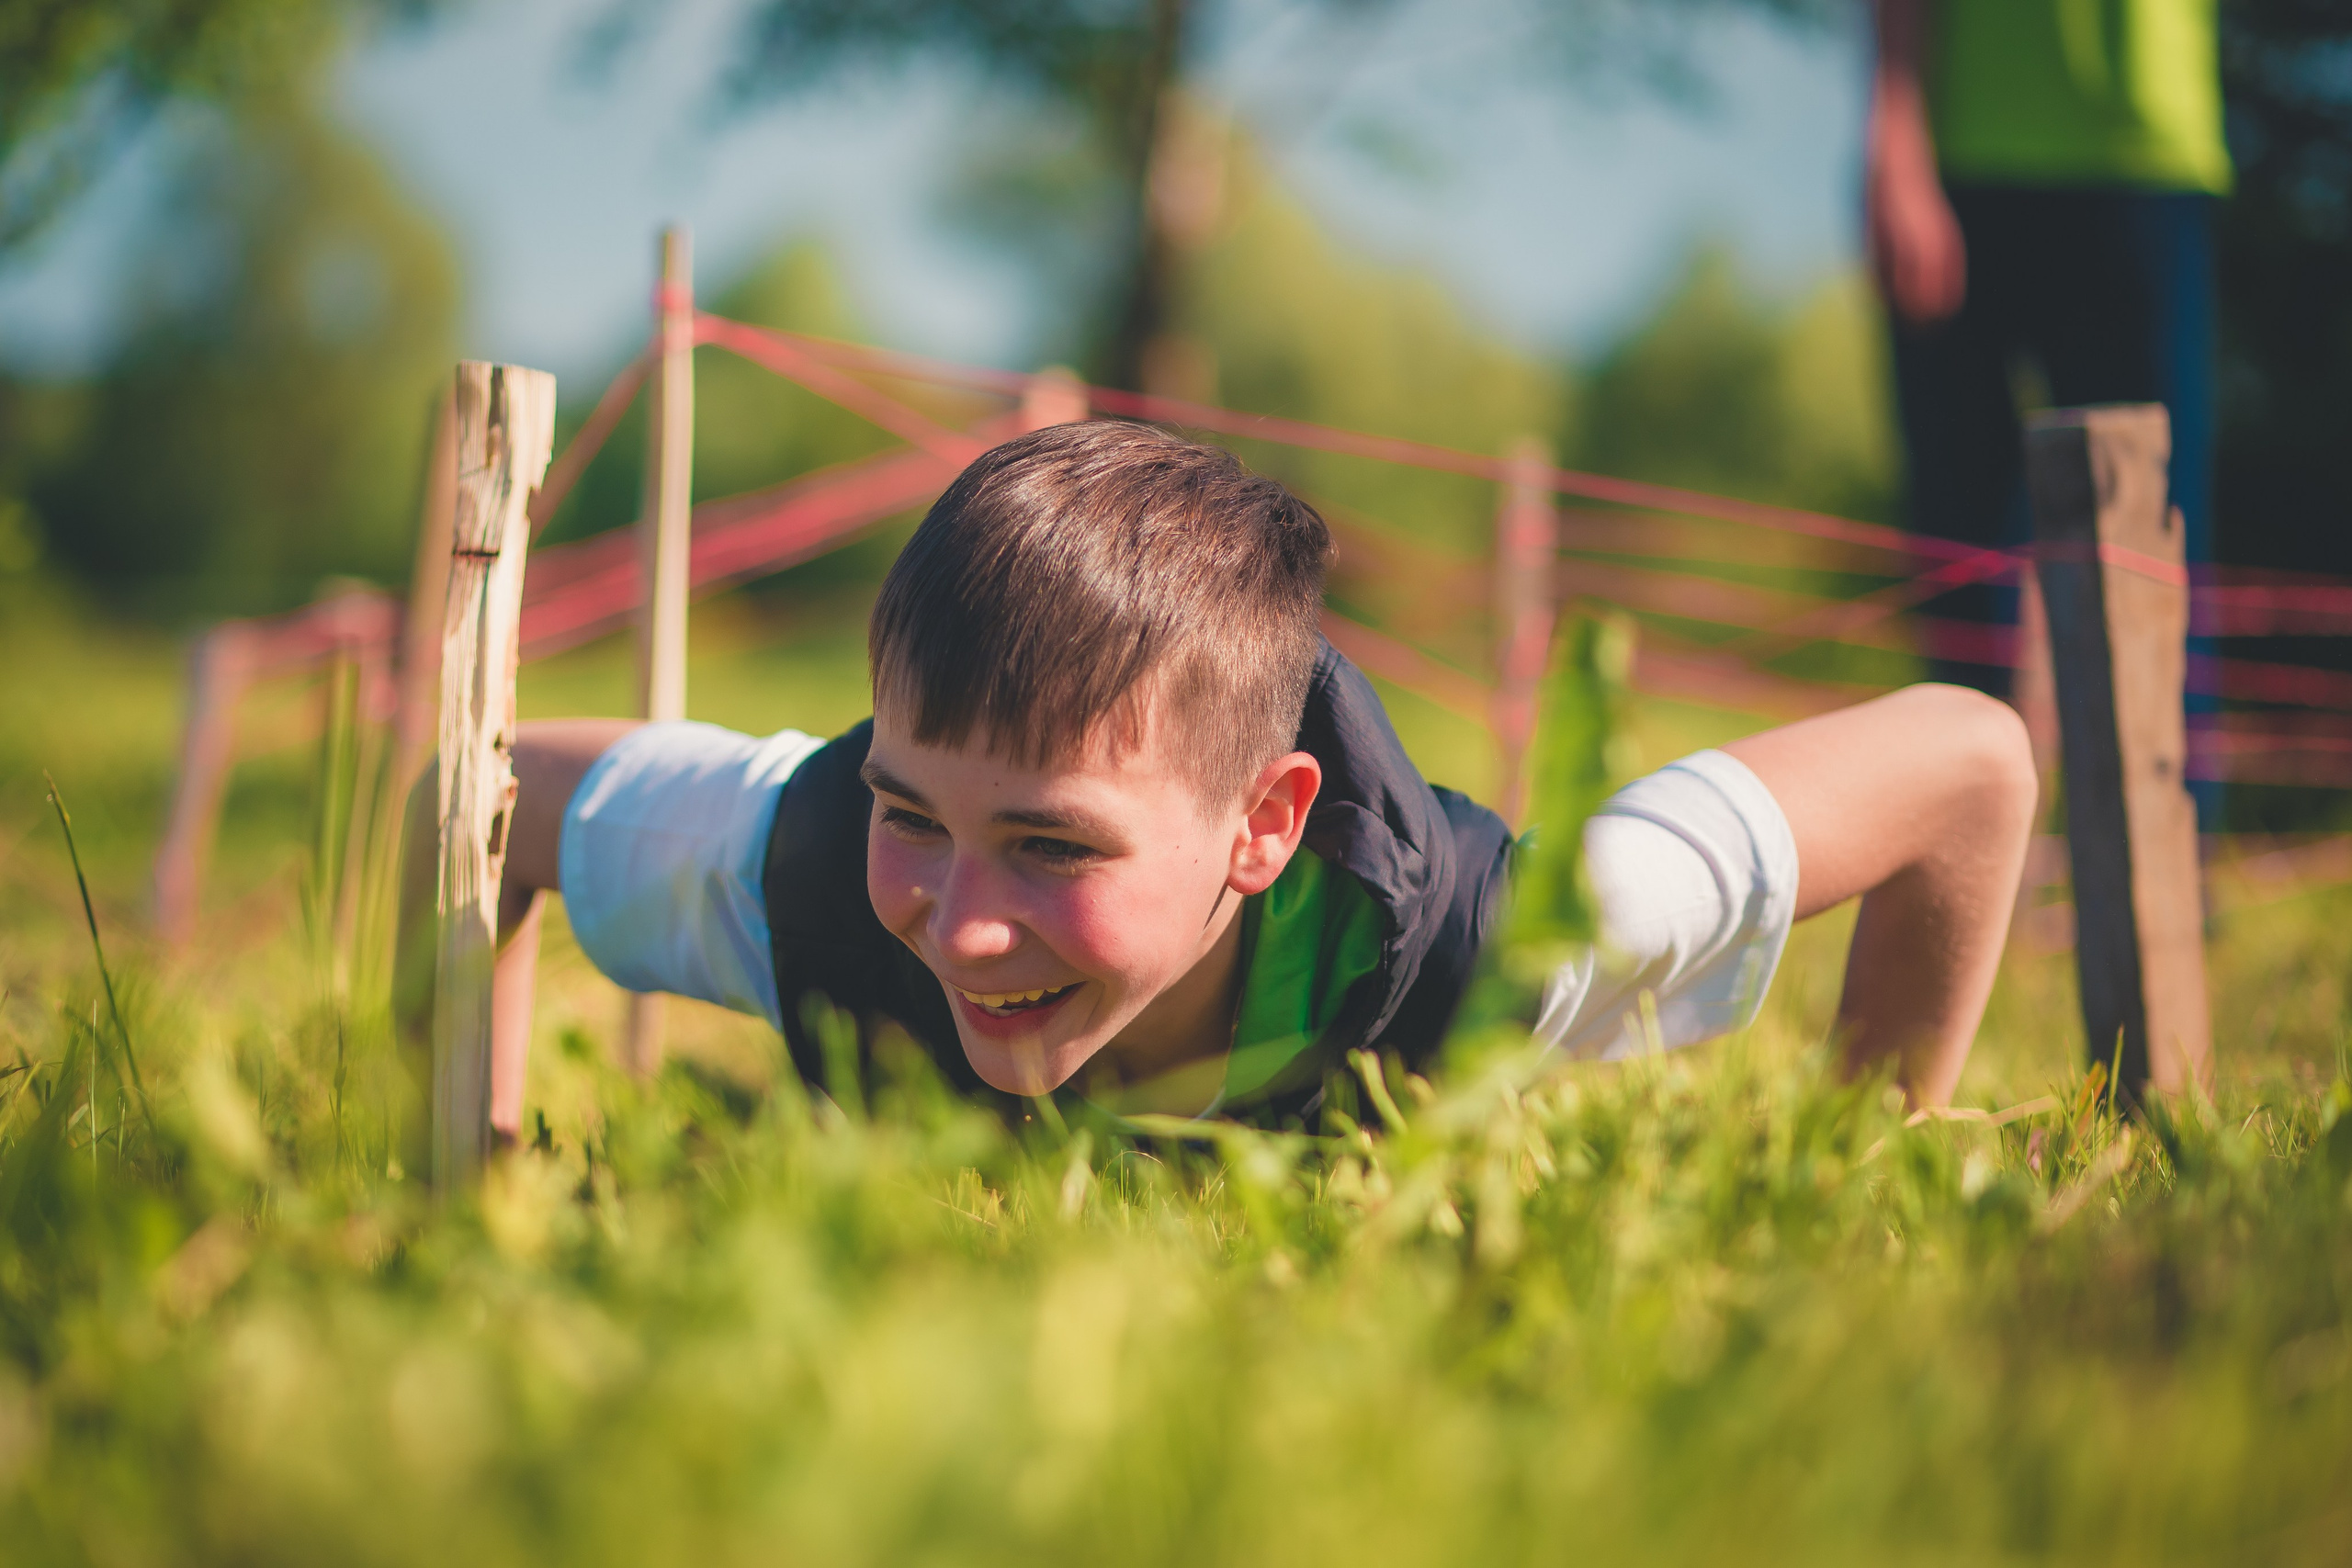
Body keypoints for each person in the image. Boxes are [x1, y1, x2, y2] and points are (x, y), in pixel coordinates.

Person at [406, 422, 2035, 1134]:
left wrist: (1867, 1142)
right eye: (919, 811)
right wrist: (466, 1155)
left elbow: (1968, 762)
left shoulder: (1519, 949)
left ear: (1264, 829)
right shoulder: (805, 868)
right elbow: (485, 794)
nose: (960, 924)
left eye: (1051, 847)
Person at [1867, 0, 2229, 817]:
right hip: (1960, 152)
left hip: (2144, 153)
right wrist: (1896, 134)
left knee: (2152, 539)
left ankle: (2174, 864)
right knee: (1959, 544)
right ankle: (1960, 848)